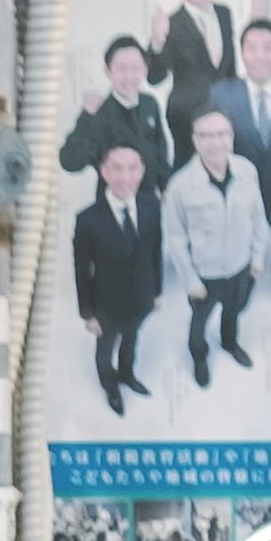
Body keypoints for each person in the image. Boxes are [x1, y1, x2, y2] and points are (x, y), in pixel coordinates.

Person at [199, 19, 271, 297]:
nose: (259, 56)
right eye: (251, 48)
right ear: (242, 53)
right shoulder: (222, 93)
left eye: (267, 48)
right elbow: (214, 143)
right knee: (242, 235)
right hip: (240, 184)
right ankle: (244, 280)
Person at [163, 100, 268, 386]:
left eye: (222, 134)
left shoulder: (247, 171)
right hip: (204, 275)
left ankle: (230, 343)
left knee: (233, 313)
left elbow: (259, 218)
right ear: (195, 140)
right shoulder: (180, 186)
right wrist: (190, 281)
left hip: (239, 267)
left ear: (231, 136)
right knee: (199, 324)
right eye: (206, 136)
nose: (215, 143)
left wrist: (257, 260)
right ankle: (199, 356)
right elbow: (175, 240)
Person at [75, 139, 165, 411]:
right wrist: (88, 313)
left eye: (132, 169)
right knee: (105, 351)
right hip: (107, 304)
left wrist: (157, 290)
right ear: (104, 172)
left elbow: (155, 251)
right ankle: (110, 386)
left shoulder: (151, 206)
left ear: (141, 171)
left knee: (132, 338)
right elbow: (81, 268)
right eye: (117, 169)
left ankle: (127, 373)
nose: (125, 177)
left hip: (142, 295)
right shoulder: (88, 219)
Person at [150, 0, 236, 156]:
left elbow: (230, 70)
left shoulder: (224, 13)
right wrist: (157, 41)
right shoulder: (171, 22)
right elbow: (154, 77)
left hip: (224, 117)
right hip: (185, 119)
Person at [58, 34, 173, 189]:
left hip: (149, 203)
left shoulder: (149, 104)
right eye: (122, 68)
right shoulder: (98, 113)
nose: (129, 76)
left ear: (144, 70)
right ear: (108, 71)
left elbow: (161, 155)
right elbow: (70, 162)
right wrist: (86, 117)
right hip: (112, 205)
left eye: (135, 68)